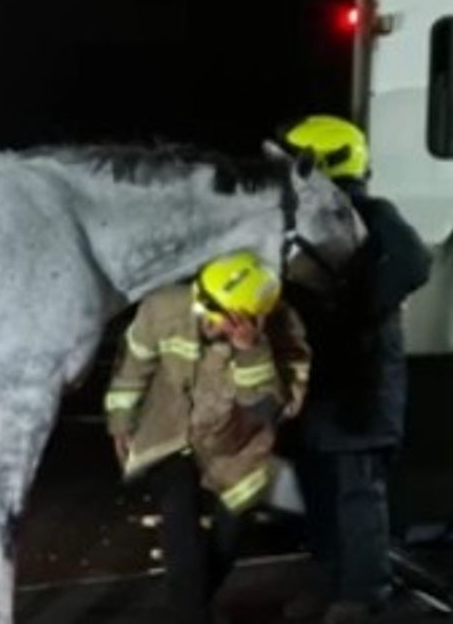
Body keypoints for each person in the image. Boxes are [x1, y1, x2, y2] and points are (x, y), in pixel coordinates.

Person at [278, 115, 432, 623]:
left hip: (360, 388)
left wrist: (356, 312)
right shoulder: (303, 219)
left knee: (356, 494)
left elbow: (413, 263)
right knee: (319, 491)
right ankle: (330, 581)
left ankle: (364, 593)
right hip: (320, 389)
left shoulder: (370, 213)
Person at [106, 251, 310, 624]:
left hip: (238, 449)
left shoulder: (285, 331)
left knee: (226, 540)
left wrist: (252, 352)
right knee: (178, 516)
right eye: (206, 312)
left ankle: (193, 603)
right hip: (169, 433)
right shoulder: (163, 308)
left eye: (224, 322)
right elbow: (132, 368)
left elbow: (271, 411)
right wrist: (120, 419)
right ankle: (192, 614)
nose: (209, 325)